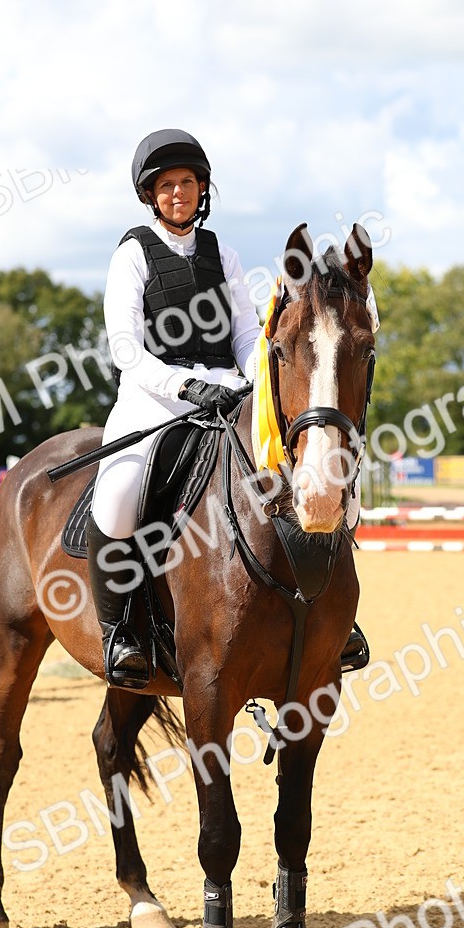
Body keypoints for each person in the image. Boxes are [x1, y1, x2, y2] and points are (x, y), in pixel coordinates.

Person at [87, 129, 260, 687]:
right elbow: (125, 347)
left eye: (187, 182)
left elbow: (248, 334)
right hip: (152, 396)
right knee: (115, 497)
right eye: (167, 185)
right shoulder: (133, 253)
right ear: (151, 195)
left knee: (297, 467)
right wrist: (185, 386)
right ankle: (122, 632)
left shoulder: (223, 254)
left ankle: (329, 612)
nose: (179, 192)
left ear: (202, 188)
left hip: (228, 392)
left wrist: (255, 382)